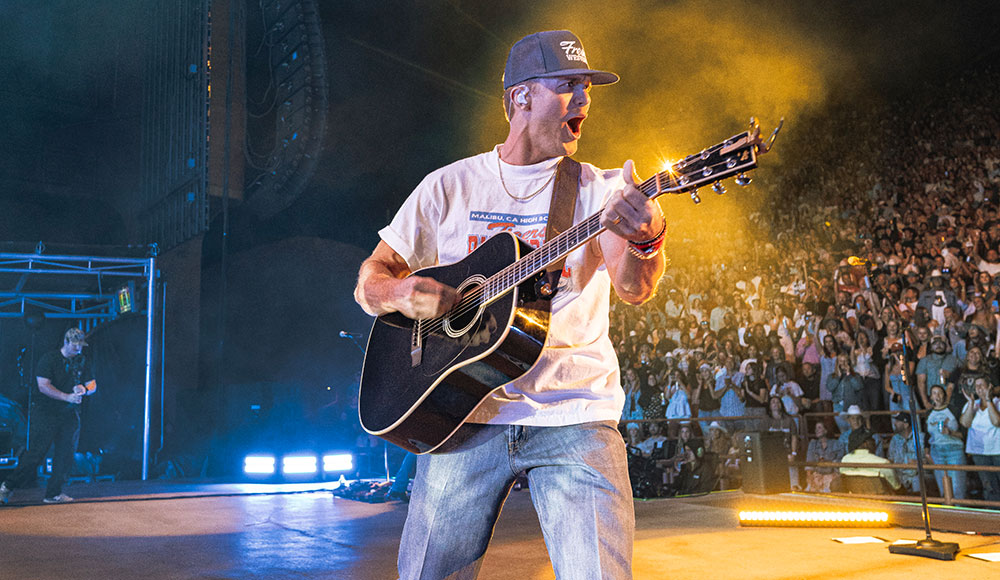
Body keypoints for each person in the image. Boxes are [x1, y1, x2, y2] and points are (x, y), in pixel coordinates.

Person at [353, 30, 665, 578]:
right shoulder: (447, 187)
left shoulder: (603, 191)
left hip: (575, 411)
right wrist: (400, 292)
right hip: (464, 413)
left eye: (588, 87)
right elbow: (369, 282)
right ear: (522, 96)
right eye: (568, 86)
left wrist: (646, 237)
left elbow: (635, 287)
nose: (585, 100)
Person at [0, 328, 96, 505]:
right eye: (75, 345)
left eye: (80, 346)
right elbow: (43, 386)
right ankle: (7, 486)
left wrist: (85, 389)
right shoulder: (49, 359)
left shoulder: (82, 361)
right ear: (66, 342)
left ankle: (53, 493)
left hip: (70, 414)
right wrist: (66, 396)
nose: (78, 349)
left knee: (66, 454)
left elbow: (92, 384)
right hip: (46, 412)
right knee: (36, 453)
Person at [959, 377, 1000, 502]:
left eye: (982, 385)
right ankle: (993, 514)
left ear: (989, 386)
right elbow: (965, 423)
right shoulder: (971, 404)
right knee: (989, 485)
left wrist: (988, 400)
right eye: (977, 386)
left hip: (997, 450)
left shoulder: (998, 402)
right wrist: (971, 404)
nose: (979, 388)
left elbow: (996, 421)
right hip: (979, 452)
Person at [925, 384, 967, 500]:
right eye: (934, 393)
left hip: (954, 449)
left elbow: (964, 433)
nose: (937, 395)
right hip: (936, 451)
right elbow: (927, 435)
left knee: (957, 488)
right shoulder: (929, 414)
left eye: (939, 393)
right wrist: (927, 452)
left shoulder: (953, 410)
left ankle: (960, 514)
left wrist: (951, 433)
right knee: (943, 489)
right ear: (931, 397)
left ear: (944, 395)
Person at [840, 428, 901, 494]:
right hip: (881, 502)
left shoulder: (845, 460)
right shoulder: (883, 463)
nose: (874, 441)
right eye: (871, 439)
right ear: (865, 443)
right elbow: (896, 486)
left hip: (856, 499)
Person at [804, 421, 845, 493]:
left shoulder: (836, 444)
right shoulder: (813, 444)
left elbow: (839, 460)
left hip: (831, 473)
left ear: (826, 430)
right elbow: (809, 461)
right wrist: (809, 477)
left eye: (819, 428)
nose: (816, 430)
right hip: (818, 473)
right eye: (816, 428)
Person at [887, 413, 923, 493]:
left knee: (917, 480)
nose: (894, 423)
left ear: (906, 424)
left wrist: (917, 463)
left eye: (898, 421)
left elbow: (927, 461)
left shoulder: (920, 438)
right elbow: (890, 458)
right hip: (899, 475)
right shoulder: (895, 439)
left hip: (915, 476)